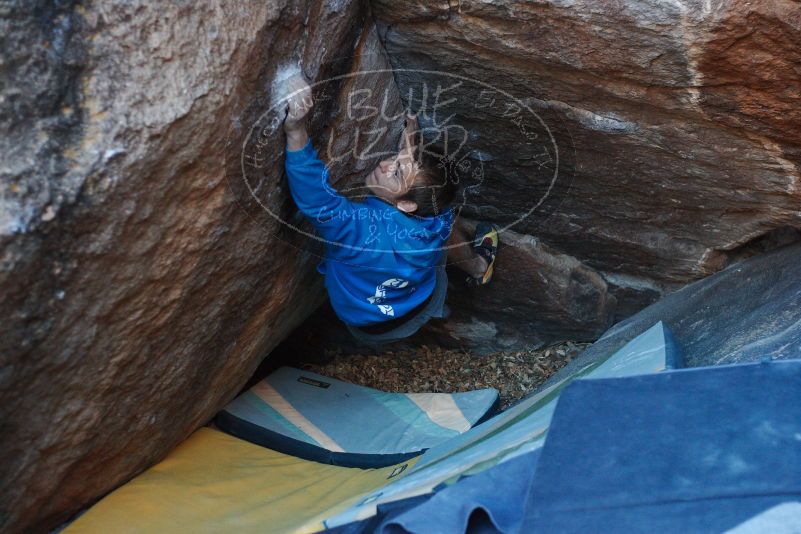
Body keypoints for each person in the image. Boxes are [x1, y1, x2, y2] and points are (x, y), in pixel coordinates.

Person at [282, 73, 498, 344]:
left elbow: (316, 199)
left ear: (406, 204)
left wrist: (296, 130)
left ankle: (462, 287)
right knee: (443, 221)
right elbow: (424, 193)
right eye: (396, 159)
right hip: (423, 298)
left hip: (371, 326)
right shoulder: (430, 214)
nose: (384, 164)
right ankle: (478, 269)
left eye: (395, 173)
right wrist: (411, 140)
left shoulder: (360, 233)